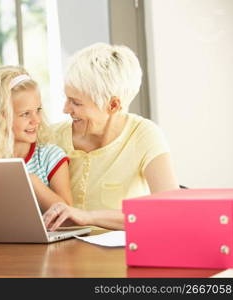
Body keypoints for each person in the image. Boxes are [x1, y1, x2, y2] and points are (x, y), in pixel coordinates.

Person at [43, 43, 179, 231]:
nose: (65, 109)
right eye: (67, 98)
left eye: (76, 103)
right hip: (61, 254)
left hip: (120, 256)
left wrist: (89, 217)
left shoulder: (144, 135)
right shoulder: (52, 136)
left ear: (113, 105)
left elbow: (171, 210)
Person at [0, 66, 72, 211]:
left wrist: (31, 181)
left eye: (38, 110)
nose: (36, 120)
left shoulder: (50, 157)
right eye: (25, 114)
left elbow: (70, 218)